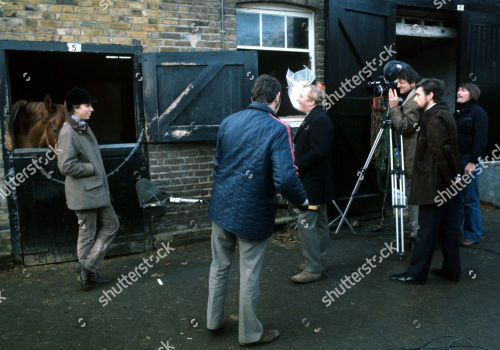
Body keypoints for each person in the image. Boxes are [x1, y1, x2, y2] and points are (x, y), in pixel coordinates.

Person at [206, 75, 308, 346]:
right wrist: (302, 201)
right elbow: (286, 178)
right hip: (251, 212)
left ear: (252, 97)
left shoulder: (229, 121)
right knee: (249, 273)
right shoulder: (279, 128)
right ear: (277, 99)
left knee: (219, 266)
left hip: (221, 206)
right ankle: (250, 334)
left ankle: (213, 320)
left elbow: (218, 165)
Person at [390, 78, 461, 284]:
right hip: (443, 184)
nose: (416, 99)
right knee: (447, 228)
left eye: (419, 94)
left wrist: (449, 181)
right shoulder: (442, 113)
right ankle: (451, 270)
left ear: (430, 96)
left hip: (435, 185)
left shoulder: (435, 117)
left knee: (425, 232)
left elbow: (441, 152)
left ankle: (416, 273)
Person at [57, 87, 119, 291]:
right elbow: (65, 166)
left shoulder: (83, 126)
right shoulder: (69, 131)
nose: (91, 109)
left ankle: (87, 267)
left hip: (96, 190)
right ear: (75, 108)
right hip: (84, 192)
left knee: (111, 225)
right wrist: (91, 168)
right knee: (87, 233)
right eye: (87, 105)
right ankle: (87, 275)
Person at [290, 84, 334, 284]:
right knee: (320, 224)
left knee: (308, 223)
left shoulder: (319, 120)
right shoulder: (316, 117)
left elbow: (319, 151)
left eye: (301, 96)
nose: (298, 99)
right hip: (317, 182)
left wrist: (296, 165)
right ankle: (318, 261)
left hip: (313, 183)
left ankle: (313, 268)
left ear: (311, 101)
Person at [388, 68, 422, 239]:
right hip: (414, 155)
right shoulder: (411, 98)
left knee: (414, 197)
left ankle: (417, 233)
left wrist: (394, 108)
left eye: (402, 82)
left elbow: (404, 127)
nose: (397, 84)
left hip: (414, 157)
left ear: (413, 83)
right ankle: (417, 231)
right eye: (397, 81)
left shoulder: (412, 101)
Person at [454, 82, 488, 247]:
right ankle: (456, 231)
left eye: (463, 90)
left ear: (472, 93)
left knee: (470, 198)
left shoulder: (478, 113)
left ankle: (473, 234)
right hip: (457, 160)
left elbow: (480, 139)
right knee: (457, 198)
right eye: (458, 89)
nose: (458, 92)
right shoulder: (458, 113)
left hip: (469, 160)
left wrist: (472, 162)